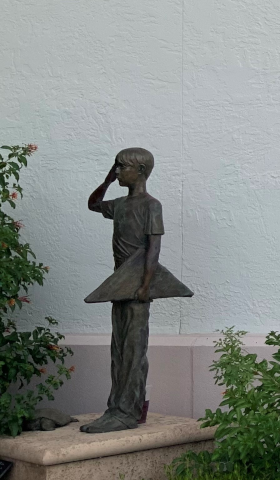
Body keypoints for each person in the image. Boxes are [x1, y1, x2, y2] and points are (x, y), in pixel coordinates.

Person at [81, 147, 191, 433]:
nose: (118, 172)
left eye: (122, 167)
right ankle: (116, 407)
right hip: (120, 285)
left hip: (137, 287)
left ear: (140, 171)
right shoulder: (119, 205)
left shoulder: (151, 205)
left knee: (133, 349)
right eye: (116, 167)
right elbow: (93, 204)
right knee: (118, 348)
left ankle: (127, 412)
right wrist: (106, 180)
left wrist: (145, 286)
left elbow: (153, 249)